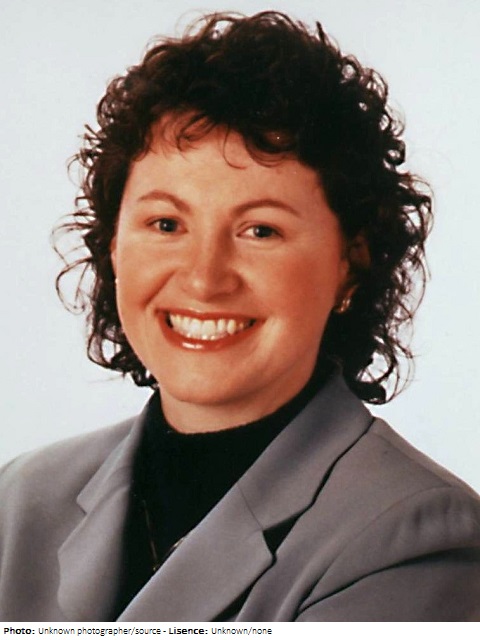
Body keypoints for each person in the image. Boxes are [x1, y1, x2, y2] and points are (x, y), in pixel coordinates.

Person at [1, 11, 479, 622]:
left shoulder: (413, 537)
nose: (205, 278)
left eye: (260, 230)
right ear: (114, 245)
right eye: (165, 224)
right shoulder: (19, 501)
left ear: (350, 265)